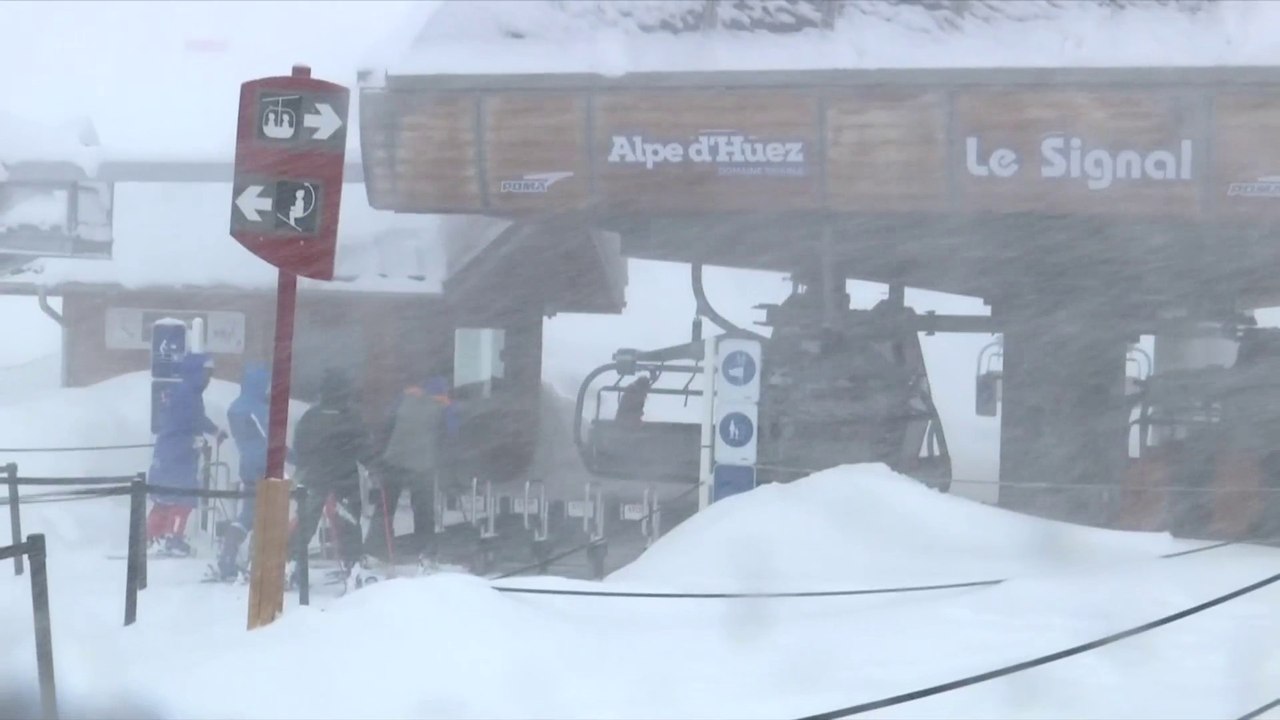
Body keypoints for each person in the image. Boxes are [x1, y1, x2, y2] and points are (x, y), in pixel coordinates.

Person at [287, 369, 376, 586]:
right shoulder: (351, 418)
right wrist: (374, 466)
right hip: (344, 477)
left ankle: (289, 564)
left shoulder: (311, 417)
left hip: (314, 476)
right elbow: (364, 448)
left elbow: (300, 446)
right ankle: (352, 567)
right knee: (349, 522)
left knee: (305, 522)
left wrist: (306, 464)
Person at [211, 362, 295, 581]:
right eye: (267, 384)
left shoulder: (236, 407)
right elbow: (272, 440)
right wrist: (294, 457)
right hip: (266, 465)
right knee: (271, 515)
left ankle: (227, 557)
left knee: (247, 514)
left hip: (247, 465)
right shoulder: (257, 409)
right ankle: (259, 562)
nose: (269, 389)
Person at [367, 375, 459, 562]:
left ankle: (375, 547)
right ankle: (426, 550)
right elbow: (451, 435)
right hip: (422, 464)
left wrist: (380, 454)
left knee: (385, 507)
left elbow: (387, 424)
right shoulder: (446, 406)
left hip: (393, 459)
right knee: (423, 509)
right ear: (444, 389)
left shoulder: (405, 396)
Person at [147, 352, 226, 556]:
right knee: (183, 499)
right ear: (196, 372)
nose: (208, 379)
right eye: (206, 373)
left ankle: (151, 537)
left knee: (163, 499)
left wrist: (212, 431)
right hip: (180, 455)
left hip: (167, 452)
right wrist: (210, 434)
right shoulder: (189, 394)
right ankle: (173, 538)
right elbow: (194, 420)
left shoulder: (180, 391)